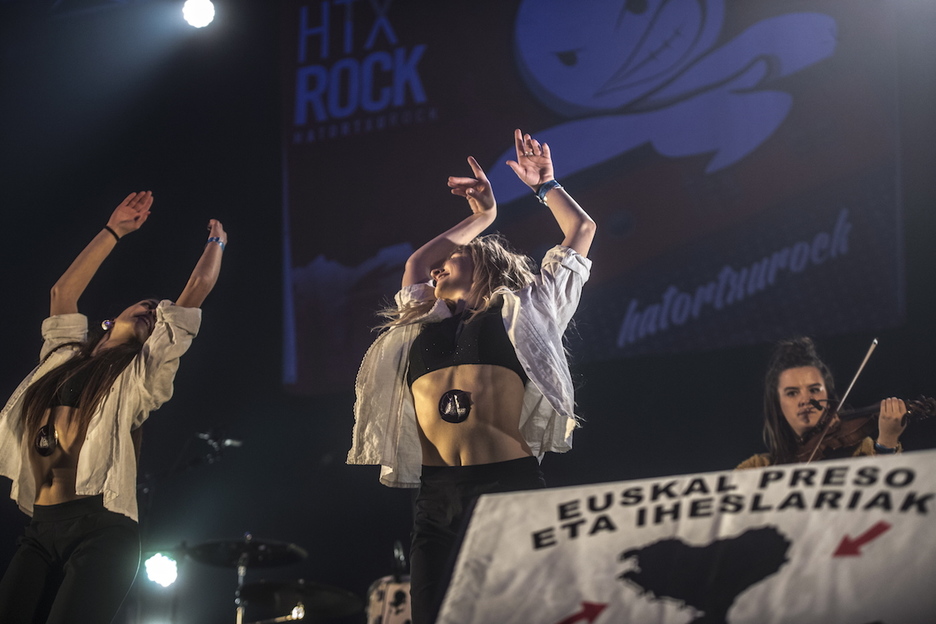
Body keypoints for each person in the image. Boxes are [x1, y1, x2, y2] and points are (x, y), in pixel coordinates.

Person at [348, 129, 596, 624]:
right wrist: (482, 216)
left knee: (527, 614)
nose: (437, 267)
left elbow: (582, 231)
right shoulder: (423, 320)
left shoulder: (525, 311)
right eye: (439, 266)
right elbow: (417, 262)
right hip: (436, 496)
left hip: (507, 484)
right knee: (432, 615)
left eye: (453, 258)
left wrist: (546, 188)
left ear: (485, 262)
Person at [0, 191, 227, 623]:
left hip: (102, 530)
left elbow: (191, 297)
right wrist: (113, 230)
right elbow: (62, 291)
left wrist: (216, 245)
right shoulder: (62, 356)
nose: (153, 310)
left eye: (156, 314)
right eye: (146, 303)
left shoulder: (140, 378)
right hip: (40, 527)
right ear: (111, 318)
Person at [736, 337, 907, 469]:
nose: (805, 400)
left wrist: (887, 441)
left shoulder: (862, 449)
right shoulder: (758, 466)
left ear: (828, 395)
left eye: (814, 390)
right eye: (792, 393)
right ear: (778, 405)